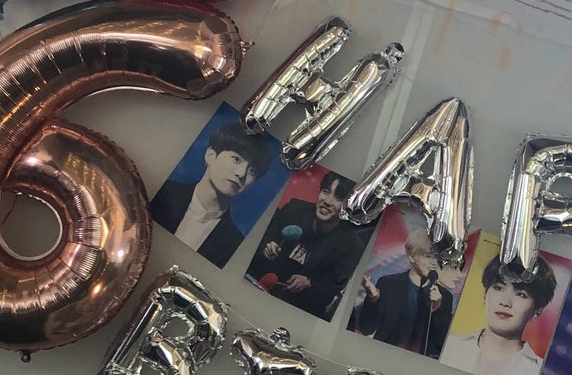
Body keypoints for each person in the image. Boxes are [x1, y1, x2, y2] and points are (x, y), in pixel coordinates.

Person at [247, 170, 368, 320]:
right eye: (325, 192)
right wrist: (267, 248)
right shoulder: (295, 210)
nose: (328, 201)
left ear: (348, 206)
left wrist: (309, 284)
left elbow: (329, 292)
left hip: (294, 312)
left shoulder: (351, 246)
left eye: (338, 198)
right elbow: (260, 240)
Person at [149, 124, 273, 267]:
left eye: (252, 171)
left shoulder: (234, 243)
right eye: (236, 159)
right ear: (211, 155)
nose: (241, 173)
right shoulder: (162, 191)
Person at [441, 254, 558, 375]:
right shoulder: (449, 346)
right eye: (498, 288)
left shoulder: (538, 373)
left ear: (537, 310)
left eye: (521, 294)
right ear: (485, 295)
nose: (505, 302)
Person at [357, 228, 454, 357]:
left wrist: (437, 309)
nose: (433, 263)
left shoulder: (445, 297)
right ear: (412, 257)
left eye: (436, 257)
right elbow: (366, 328)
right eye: (428, 256)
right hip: (381, 356)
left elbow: (439, 344)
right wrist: (374, 299)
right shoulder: (388, 284)